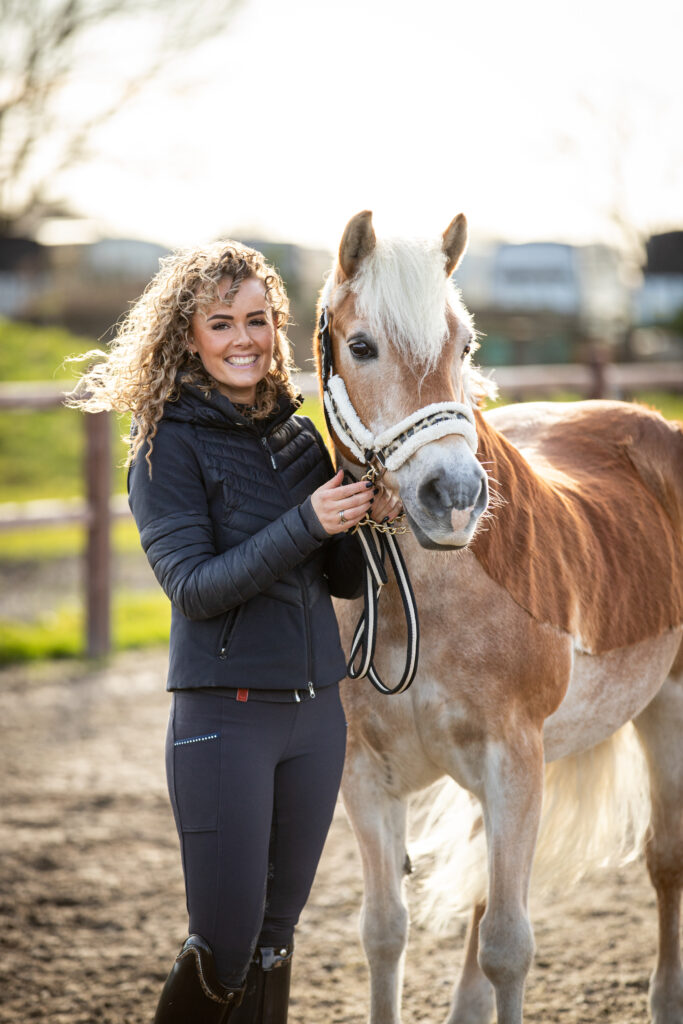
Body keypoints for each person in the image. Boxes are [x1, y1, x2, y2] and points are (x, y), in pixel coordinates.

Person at [69, 240, 400, 1024]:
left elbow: (341, 580)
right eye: (221, 324)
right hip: (226, 718)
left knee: (276, 940)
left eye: (256, 320)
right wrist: (307, 519)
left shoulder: (298, 436)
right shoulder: (163, 446)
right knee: (223, 941)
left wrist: (362, 523)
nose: (243, 339)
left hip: (317, 715)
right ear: (188, 336)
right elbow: (194, 589)